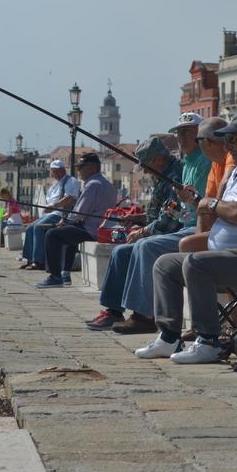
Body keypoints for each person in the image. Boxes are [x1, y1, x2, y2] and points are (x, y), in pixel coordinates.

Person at [138, 109, 237, 364]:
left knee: (196, 263)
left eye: (234, 139)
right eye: (226, 140)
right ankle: (168, 337)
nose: (228, 145)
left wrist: (209, 204)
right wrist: (204, 203)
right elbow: (218, 210)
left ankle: (208, 340)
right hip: (232, 259)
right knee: (165, 264)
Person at [86, 120, 211, 333]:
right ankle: (114, 310)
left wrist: (145, 231)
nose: (143, 170)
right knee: (121, 251)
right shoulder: (180, 168)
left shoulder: (176, 173)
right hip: (175, 228)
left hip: (177, 231)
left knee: (139, 248)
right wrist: (140, 219)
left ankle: (144, 315)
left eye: (145, 165)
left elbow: (171, 217)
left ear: (159, 160)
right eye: (178, 135)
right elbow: (169, 210)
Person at [35, 153, 118, 288]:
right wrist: (68, 221)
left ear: (92, 168)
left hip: (93, 231)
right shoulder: (107, 184)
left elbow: (79, 212)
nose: (78, 171)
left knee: (52, 234)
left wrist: (65, 220)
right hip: (103, 229)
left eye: (81, 167)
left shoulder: (92, 185)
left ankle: (55, 277)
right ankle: (65, 274)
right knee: (69, 233)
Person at [22, 160, 79, 269]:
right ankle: (29, 259)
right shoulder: (54, 184)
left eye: (57, 171)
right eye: (53, 172)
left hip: (61, 214)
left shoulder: (71, 181)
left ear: (63, 170)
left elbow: (69, 198)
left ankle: (39, 261)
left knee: (38, 227)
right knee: (30, 227)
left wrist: (53, 206)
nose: (55, 174)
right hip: (50, 213)